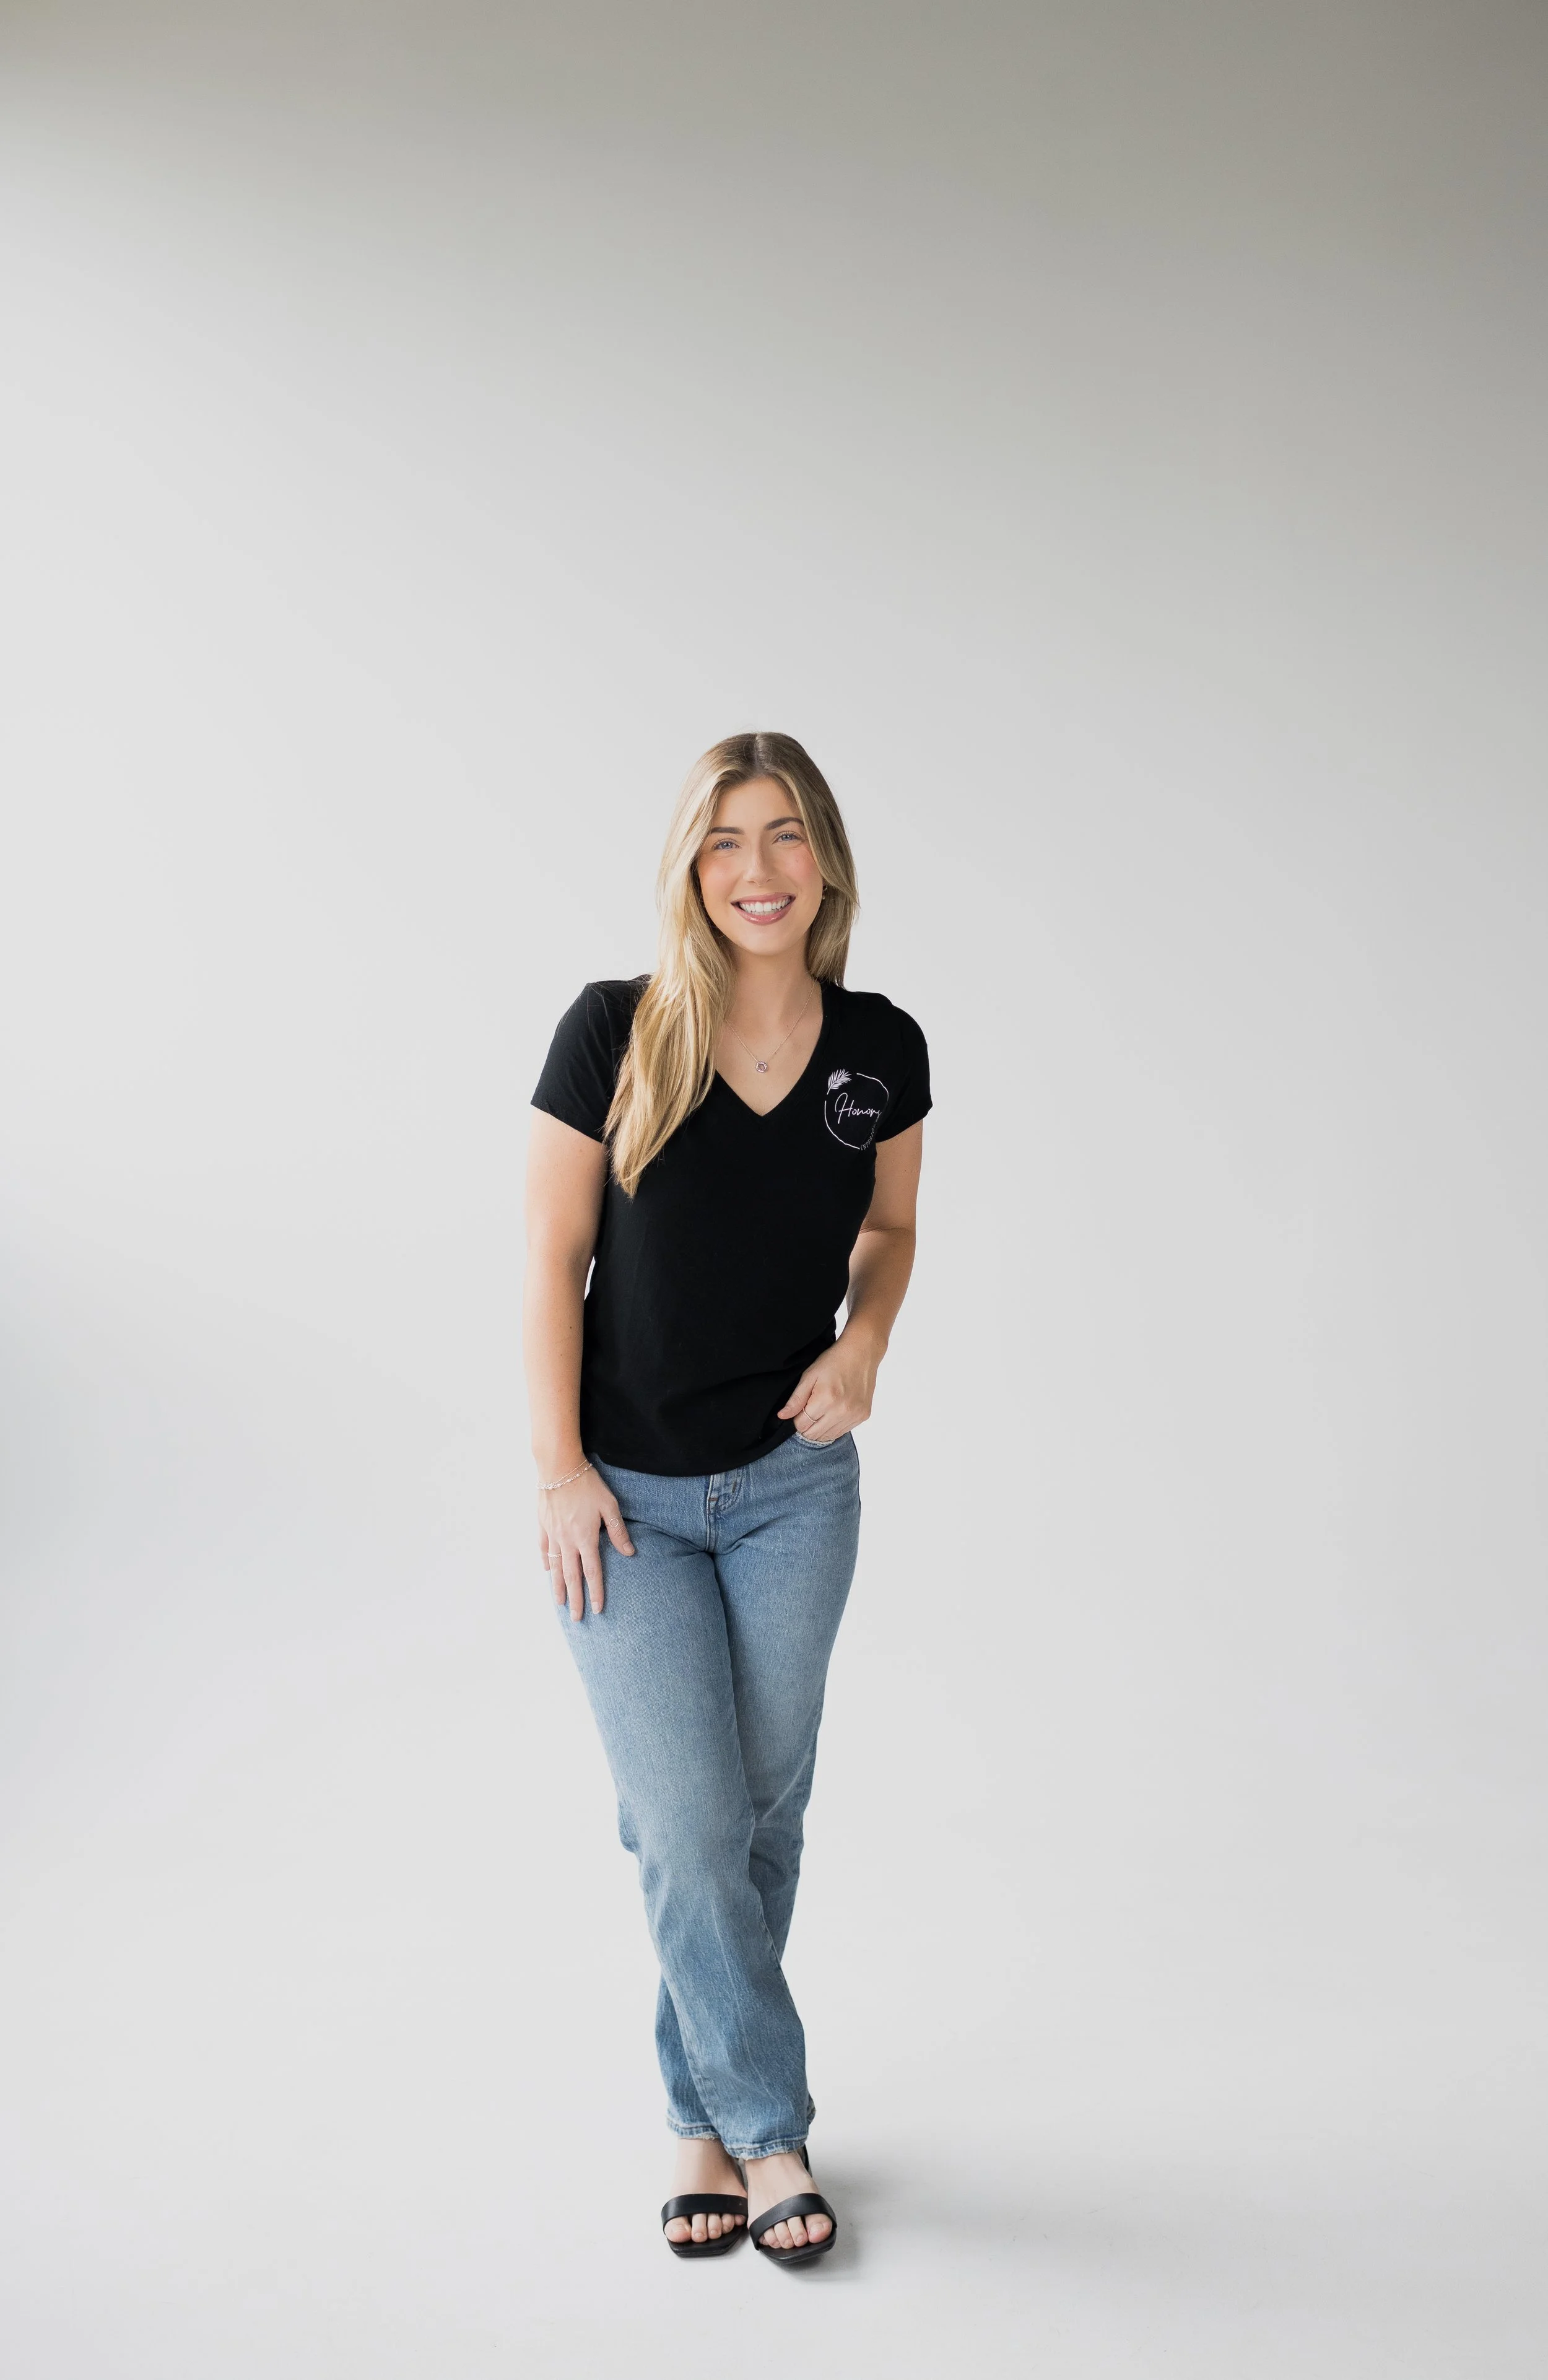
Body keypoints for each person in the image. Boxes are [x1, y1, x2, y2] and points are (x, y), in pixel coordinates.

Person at [523, 731, 929, 2267]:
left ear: (821, 856)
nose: (754, 871)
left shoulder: (879, 1046)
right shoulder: (612, 1031)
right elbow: (545, 1261)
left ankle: (692, 2112)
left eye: (782, 837)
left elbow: (889, 1228)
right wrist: (557, 1468)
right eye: (722, 842)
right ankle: (766, 2128)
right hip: (620, 1499)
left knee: (758, 1811)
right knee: (687, 1821)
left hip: (790, 1494)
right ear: (689, 868)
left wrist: (866, 1340)